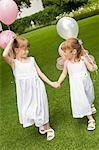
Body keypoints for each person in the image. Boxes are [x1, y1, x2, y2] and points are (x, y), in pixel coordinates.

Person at [2, 36, 59, 141]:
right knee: (30, 110)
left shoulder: (31, 60)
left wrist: (51, 83)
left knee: (41, 107)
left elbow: (40, 73)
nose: (26, 51)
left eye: (27, 49)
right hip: (25, 92)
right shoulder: (14, 63)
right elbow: (4, 55)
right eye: (24, 49)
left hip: (37, 87)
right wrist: (11, 42)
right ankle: (41, 123)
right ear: (16, 49)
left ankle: (48, 128)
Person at [56, 38, 98, 131]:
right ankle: (90, 119)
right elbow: (64, 73)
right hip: (76, 85)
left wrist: (93, 67)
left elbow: (90, 68)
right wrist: (59, 81)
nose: (63, 54)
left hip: (86, 81)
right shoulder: (67, 63)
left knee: (90, 95)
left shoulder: (83, 60)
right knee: (82, 99)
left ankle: (90, 104)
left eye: (65, 52)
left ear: (74, 51)